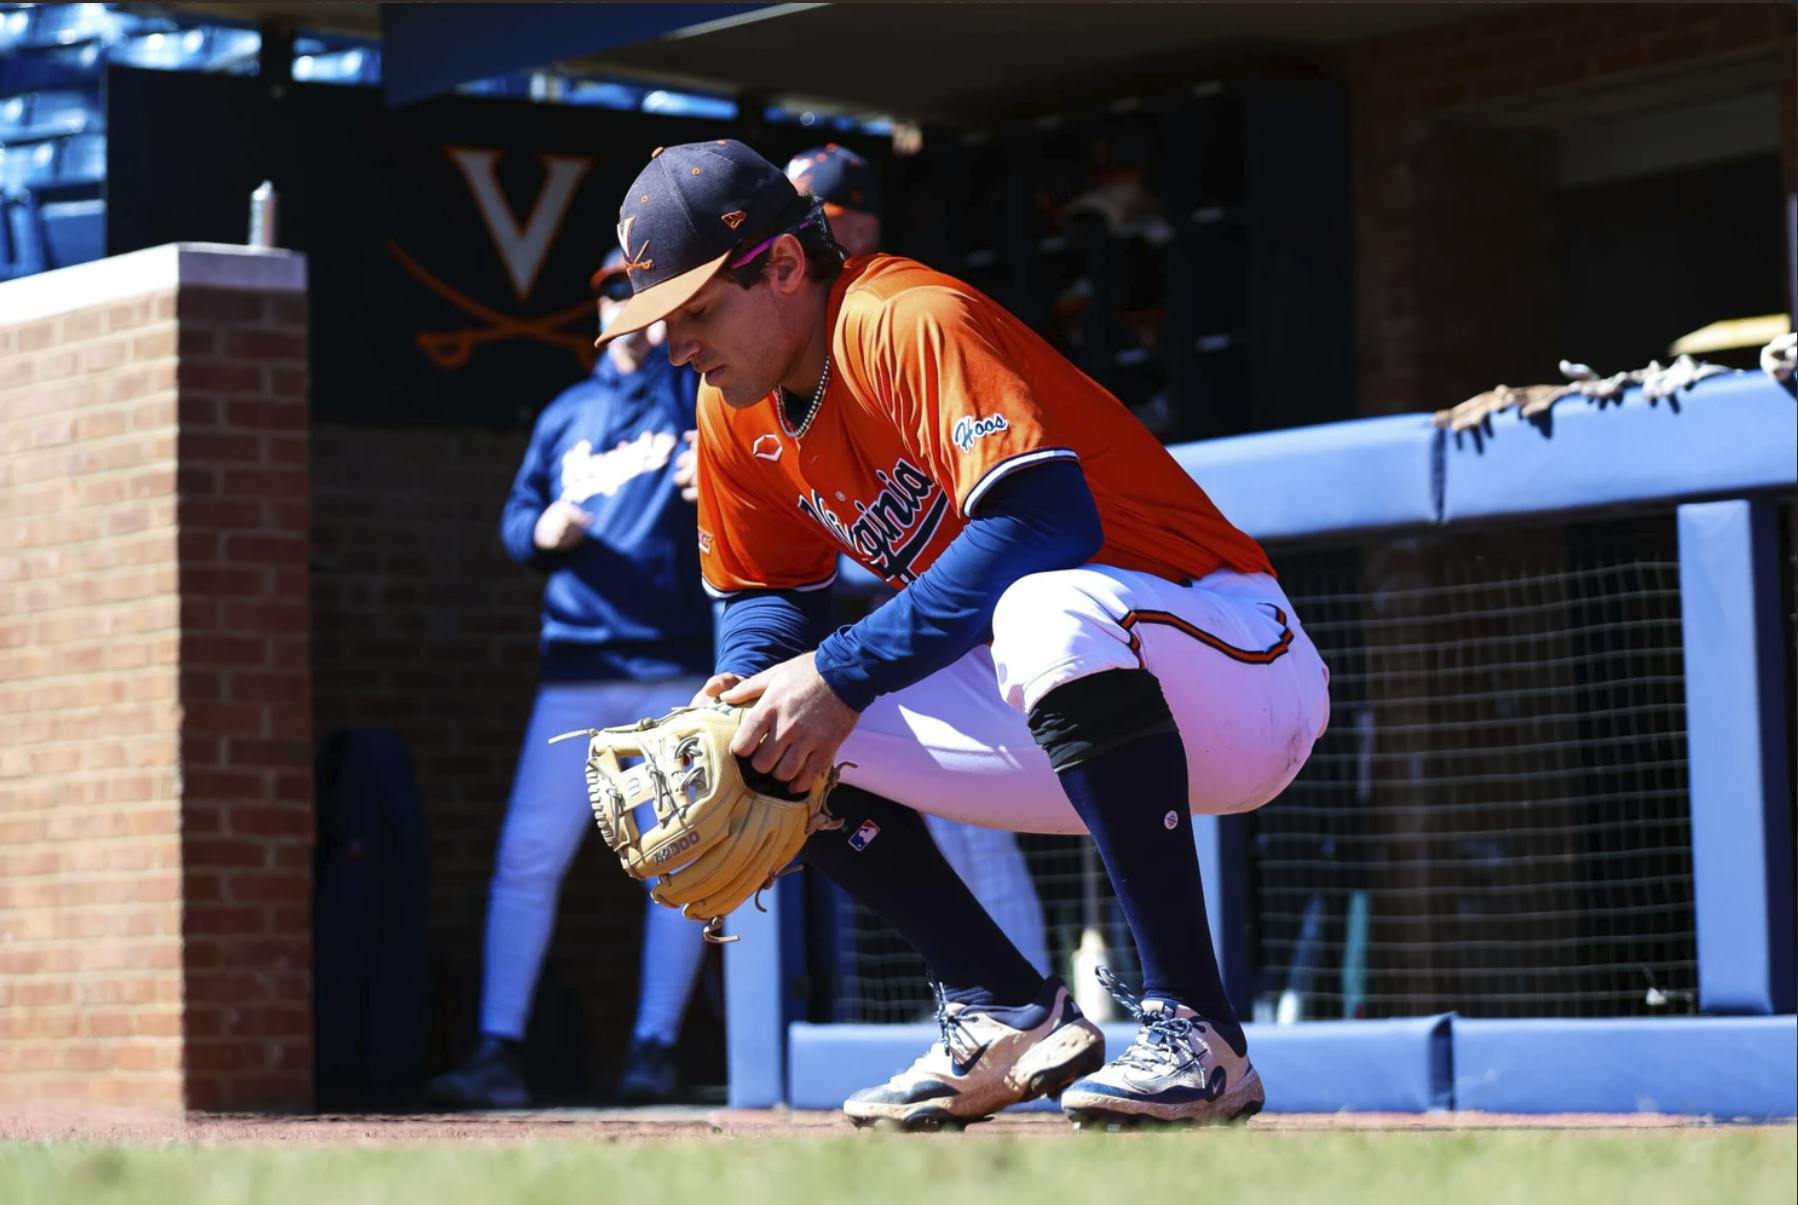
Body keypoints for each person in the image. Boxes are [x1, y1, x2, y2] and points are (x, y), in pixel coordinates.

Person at [599, 141, 1330, 1130]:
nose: (676, 343)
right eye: (661, 317)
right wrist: (746, 692)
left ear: (783, 264)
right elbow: (767, 595)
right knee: (761, 726)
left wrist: (842, 672)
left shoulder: (905, 317)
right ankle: (1002, 1007)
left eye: (695, 309)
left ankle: (1200, 1034)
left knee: (1037, 606)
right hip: (1066, 703)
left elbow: (1042, 523)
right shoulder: (735, 405)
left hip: (1232, 653)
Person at [426, 251, 716, 1109]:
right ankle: (497, 1051)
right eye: (613, 293)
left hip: (671, 666)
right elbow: (517, 516)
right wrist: (538, 529)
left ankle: (654, 1048)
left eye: (641, 293)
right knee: (527, 856)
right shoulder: (567, 413)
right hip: (576, 668)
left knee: (678, 859)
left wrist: (715, 470)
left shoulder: (696, 392)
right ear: (595, 310)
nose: (626, 305)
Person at [784, 142, 1050, 980]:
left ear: (862, 222)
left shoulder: (898, 316)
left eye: (818, 221)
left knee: (987, 836)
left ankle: (1032, 997)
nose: (801, 245)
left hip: (991, 615)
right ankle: (1007, 997)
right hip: (916, 621)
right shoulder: (805, 356)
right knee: (955, 831)